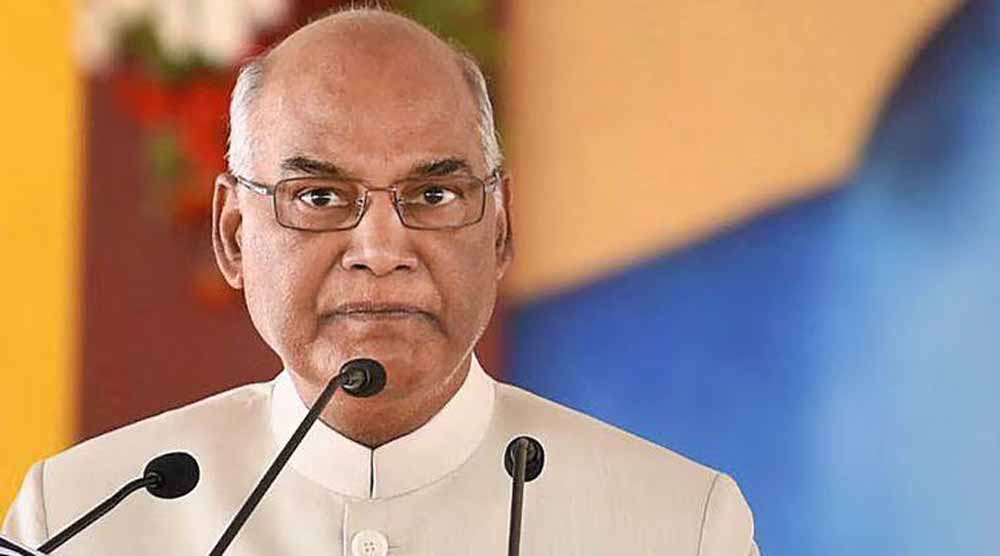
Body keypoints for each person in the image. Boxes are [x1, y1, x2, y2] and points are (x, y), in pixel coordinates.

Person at [3, 8, 758, 555]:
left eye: (432, 194)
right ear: (233, 234)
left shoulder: (677, 528)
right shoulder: (83, 520)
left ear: (500, 229)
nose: (380, 248)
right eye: (319, 197)